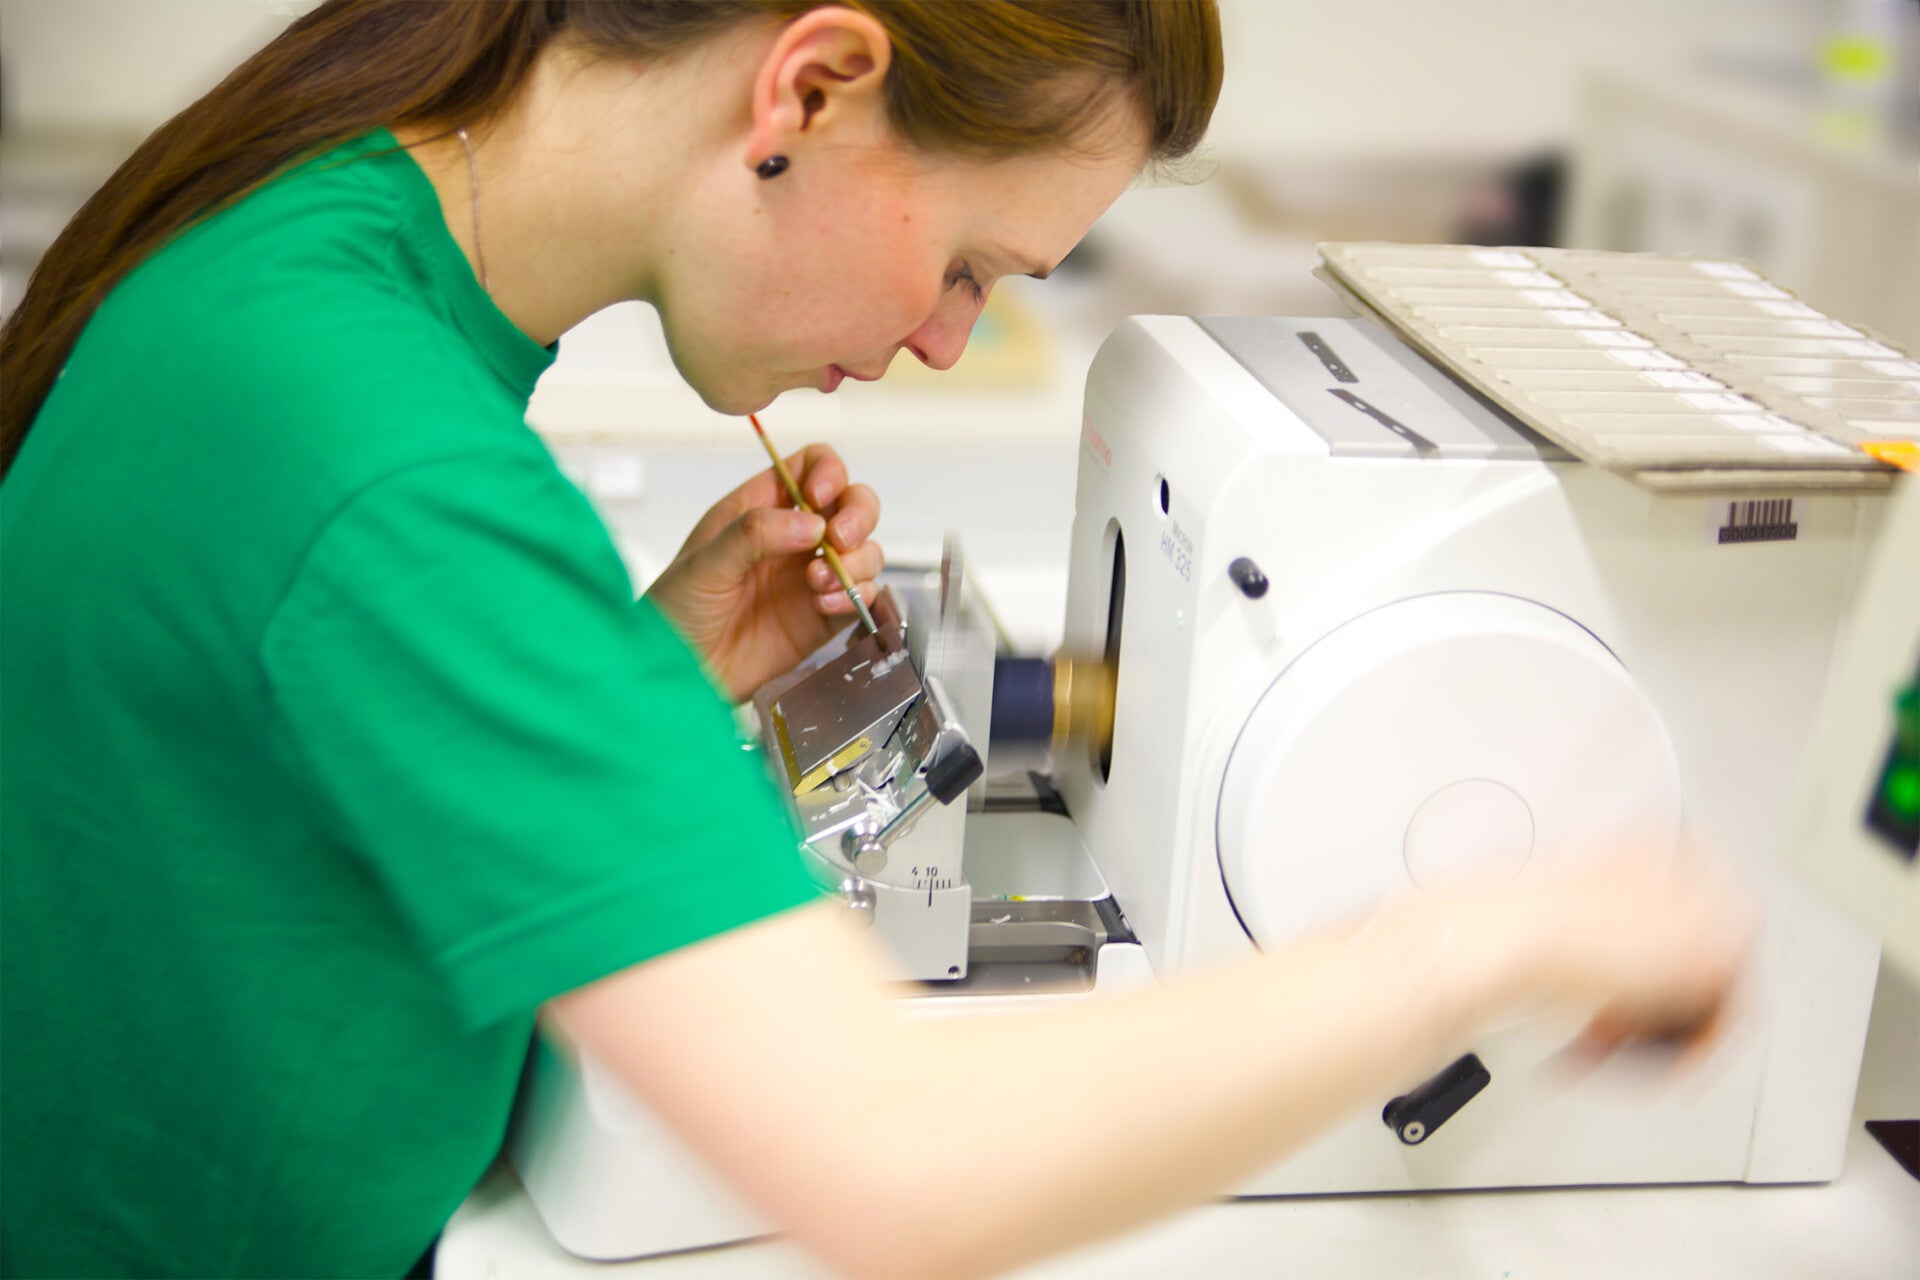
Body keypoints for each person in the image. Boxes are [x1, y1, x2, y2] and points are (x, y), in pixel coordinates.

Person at [0, 3, 1750, 1277]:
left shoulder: (331, 245)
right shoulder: (388, 459)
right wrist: (1491, 938)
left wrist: (645, 673)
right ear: (812, 85)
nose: (943, 341)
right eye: (974, 266)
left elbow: (260, 811)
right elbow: (895, 1157)